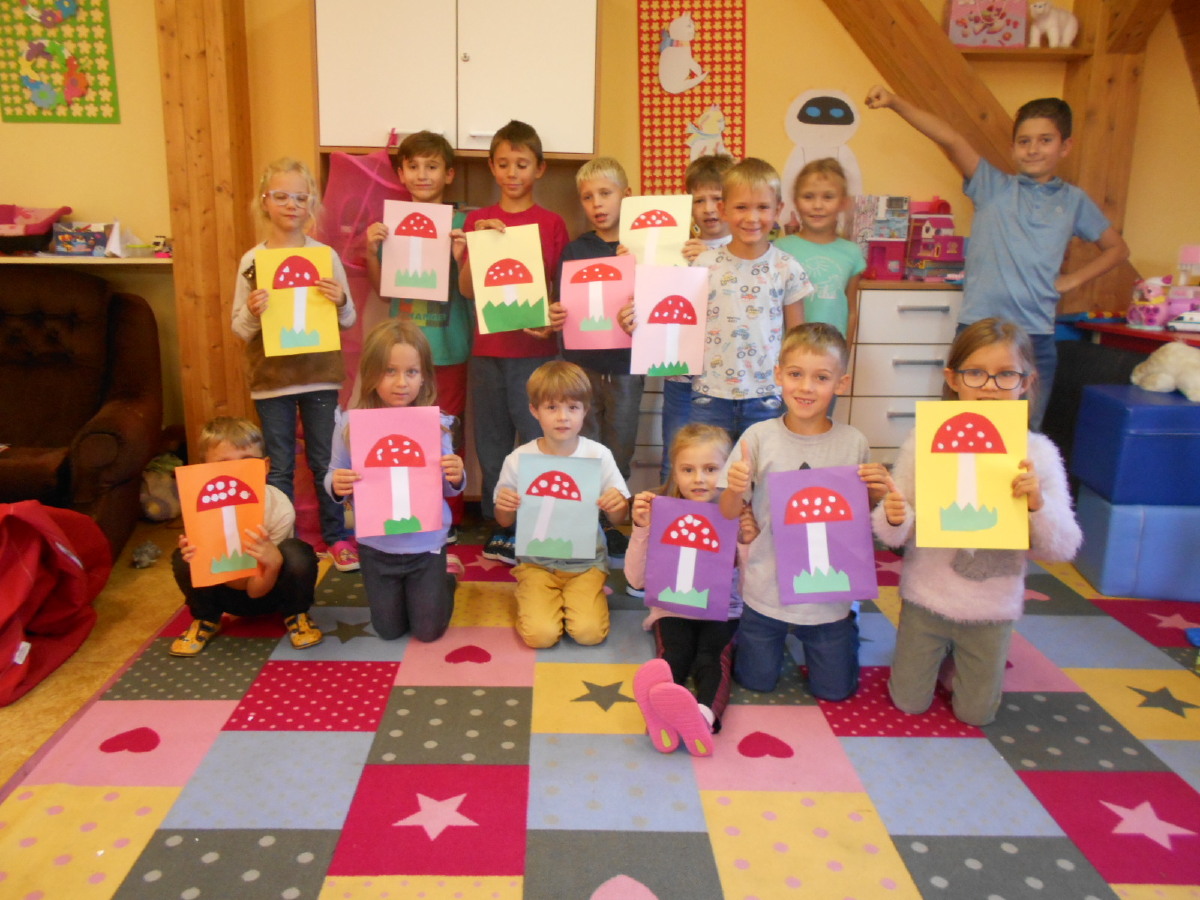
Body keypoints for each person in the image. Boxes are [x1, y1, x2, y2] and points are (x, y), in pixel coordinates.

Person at [864, 86, 1130, 430]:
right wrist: (896, 102)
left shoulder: (1074, 201)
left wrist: (1071, 280)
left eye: (1045, 140)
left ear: (1065, 146)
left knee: (1021, 436)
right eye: (1024, 141)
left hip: (1034, 338)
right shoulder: (992, 187)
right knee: (961, 429)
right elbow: (951, 139)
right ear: (1013, 147)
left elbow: (1117, 249)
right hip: (978, 330)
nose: (1033, 149)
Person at [873, 318, 1082, 726]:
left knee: (976, 714)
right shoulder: (924, 440)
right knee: (908, 702)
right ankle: (940, 656)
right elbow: (896, 525)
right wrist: (895, 516)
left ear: (1026, 381)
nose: (989, 386)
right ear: (953, 379)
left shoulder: (1037, 452)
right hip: (927, 598)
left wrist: (1037, 505)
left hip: (991, 608)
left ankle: (960, 661)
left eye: (1005, 375)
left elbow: (1063, 547)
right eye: (975, 373)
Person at [719, 323, 889, 700]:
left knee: (836, 691)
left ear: (841, 383)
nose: (806, 387)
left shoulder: (853, 443)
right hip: (766, 590)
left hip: (829, 600)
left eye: (821, 378)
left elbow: (858, 520)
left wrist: (877, 495)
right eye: (796, 374)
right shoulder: (757, 438)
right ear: (778, 375)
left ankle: (844, 630)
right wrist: (734, 488)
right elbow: (728, 513)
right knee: (755, 681)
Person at [231, 158, 359, 573]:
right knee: (280, 467)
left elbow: (349, 319)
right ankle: (284, 544)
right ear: (264, 202)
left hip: (320, 377)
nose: (291, 205)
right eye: (281, 196)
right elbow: (239, 327)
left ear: (312, 204)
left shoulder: (325, 256)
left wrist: (340, 300)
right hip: (271, 381)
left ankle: (336, 538)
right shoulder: (253, 260)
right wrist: (253, 311)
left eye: (300, 198)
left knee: (326, 463)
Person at [458, 120, 569, 566]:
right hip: (487, 353)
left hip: (536, 354)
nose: (512, 173)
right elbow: (467, 289)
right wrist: (479, 244)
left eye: (521, 164)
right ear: (491, 166)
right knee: (492, 444)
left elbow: (562, 289)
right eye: (503, 164)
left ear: (539, 168)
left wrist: (553, 321)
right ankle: (499, 525)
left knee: (540, 440)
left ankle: (542, 523)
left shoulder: (552, 223)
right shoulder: (477, 220)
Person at [363, 131, 471, 544]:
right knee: (405, 432)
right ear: (401, 173)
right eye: (413, 166)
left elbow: (471, 288)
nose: (422, 174)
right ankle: (409, 510)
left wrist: (464, 252)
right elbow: (383, 291)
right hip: (403, 353)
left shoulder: (462, 225)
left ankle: (450, 514)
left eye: (432, 166)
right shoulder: (389, 224)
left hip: (450, 347)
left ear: (449, 174)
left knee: (448, 433)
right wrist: (370, 251)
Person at [326, 319, 464, 642]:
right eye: (390, 371)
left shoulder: (436, 424)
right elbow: (333, 473)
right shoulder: (350, 424)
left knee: (428, 631)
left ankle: (445, 580)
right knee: (388, 630)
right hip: (377, 548)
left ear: (424, 376)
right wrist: (336, 484)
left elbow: (446, 488)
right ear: (371, 373)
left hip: (426, 545)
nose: (401, 383)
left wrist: (456, 475)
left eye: (411, 372)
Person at [627, 424, 757, 757]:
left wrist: (746, 543)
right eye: (688, 470)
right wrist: (642, 528)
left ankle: (702, 716)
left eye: (711, 469)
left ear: (728, 471)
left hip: (725, 611)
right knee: (674, 654)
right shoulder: (663, 512)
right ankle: (661, 715)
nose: (699, 479)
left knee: (712, 658)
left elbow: (754, 591)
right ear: (674, 471)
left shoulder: (742, 514)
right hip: (673, 609)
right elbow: (636, 580)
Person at [494, 361, 630, 648]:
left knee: (589, 634)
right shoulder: (519, 459)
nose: (563, 417)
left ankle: (580, 596)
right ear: (534, 410)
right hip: (536, 564)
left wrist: (616, 504)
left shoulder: (598, 455)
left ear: (585, 410)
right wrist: (505, 505)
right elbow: (504, 521)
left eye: (572, 407)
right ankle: (536, 595)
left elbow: (619, 518)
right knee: (541, 636)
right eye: (552, 407)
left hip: (587, 564)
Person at [170, 417, 321, 656]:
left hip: (273, 592)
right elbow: (221, 572)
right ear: (204, 470)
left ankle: (296, 613)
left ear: (265, 466)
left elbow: (256, 591)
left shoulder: (278, 506)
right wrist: (196, 558)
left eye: (247, 461)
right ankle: (206, 618)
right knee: (184, 556)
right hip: (225, 593)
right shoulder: (201, 508)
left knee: (298, 553)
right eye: (223, 464)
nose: (236, 472)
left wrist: (273, 563)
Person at [690, 158, 812, 443]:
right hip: (710, 395)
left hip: (766, 396)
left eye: (763, 207)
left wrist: (794, 389)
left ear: (778, 210)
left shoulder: (787, 268)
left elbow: (797, 339)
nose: (752, 217)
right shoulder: (703, 264)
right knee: (709, 468)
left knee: (761, 467)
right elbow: (686, 326)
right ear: (724, 210)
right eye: (741, 207)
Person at [558, 156, 639, 562]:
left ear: (627, 195)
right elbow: (563, 306)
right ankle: (582, 520)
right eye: (588, 197)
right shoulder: (576, 249)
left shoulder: (642, 248)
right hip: (583, 365)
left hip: (627, 366)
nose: (597, 204)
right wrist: (555, 315)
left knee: (620, 445)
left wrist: (637, 262)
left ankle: (612, 519)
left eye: (605, 193)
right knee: (582, 442)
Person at [657, 154, 738, 485]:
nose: (708, 209)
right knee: (675, 456)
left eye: (717, 198)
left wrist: (710, 260)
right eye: (698, 200)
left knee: (719, 463)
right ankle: (670, 516)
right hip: (680, 373)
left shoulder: (744, 249)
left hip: (724, 378)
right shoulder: (673, 248)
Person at [774, 158, 866, 348]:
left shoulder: (852, 253)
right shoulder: (780, 249)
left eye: (828, 197)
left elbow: (851, 311)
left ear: (843, 202)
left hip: (831, 353)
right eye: (808, 197)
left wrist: (845, 353)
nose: (817, 205)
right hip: (789, 352)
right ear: (796, 202)